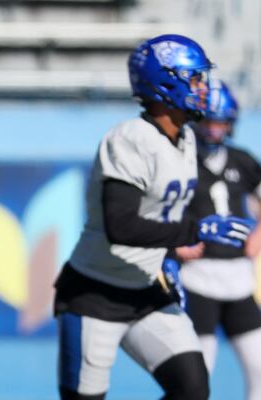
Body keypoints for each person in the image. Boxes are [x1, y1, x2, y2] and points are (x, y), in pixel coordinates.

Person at [53, 34, 253, 400]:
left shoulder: (187, 139)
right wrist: (196, 231)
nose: (202, 87)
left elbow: (163, 212)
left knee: (192, 389)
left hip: (146, 289)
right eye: (193, 78)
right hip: (95, 293)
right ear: (165, 82)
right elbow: (121, 224)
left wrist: (169, 258)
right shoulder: (130, 139)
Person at [176, 80, 261, 400]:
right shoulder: (180, 160)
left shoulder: (243, 161)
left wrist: (258, 236)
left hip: (238, 278)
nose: (214, 130)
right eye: (208, 121)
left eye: (221, 122)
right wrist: (176, 244)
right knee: (199, 377)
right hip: (198, 279)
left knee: (259, 369)